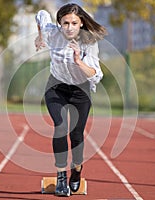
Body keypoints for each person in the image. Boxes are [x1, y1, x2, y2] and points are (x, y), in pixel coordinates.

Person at [35, 3, 107, 196]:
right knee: (60, 127)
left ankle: (76, 171)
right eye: (65, 23)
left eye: (74, 23)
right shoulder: (53, 33)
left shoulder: (89, 43)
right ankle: (60, 178)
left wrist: (78, 61)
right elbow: (41, 14)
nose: (69, 27)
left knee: (76, 135)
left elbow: (95, 74)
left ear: (81, 23)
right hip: (56, 87)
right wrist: (40, 36)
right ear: (59, 23)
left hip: (80, 91)